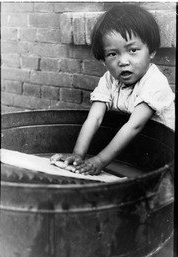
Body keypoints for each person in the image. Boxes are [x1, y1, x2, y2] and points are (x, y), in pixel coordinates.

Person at [50, 3, 175, 175]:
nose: (123, 61)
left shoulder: (155, 82)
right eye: (112, 54)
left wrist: (99, 160)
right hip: (131, 149)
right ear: (103, 60)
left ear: (151, 51)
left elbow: (134, 126)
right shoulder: (109, 80)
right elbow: (95, 117)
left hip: (162, 153)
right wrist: (78, 154)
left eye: (132, 50)